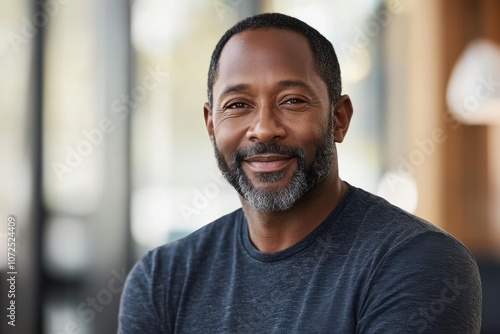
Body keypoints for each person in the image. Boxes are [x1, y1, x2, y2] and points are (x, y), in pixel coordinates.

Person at [118, 13, 482, 333]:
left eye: (292, 100)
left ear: (338, 119)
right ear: (212, 126)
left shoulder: (418, 262)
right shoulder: (162, 278)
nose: (263, 128)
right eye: (238, 105)